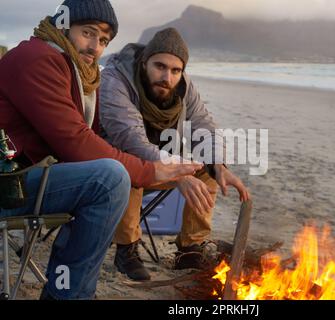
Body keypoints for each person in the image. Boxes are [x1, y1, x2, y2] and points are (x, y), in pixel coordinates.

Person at [0, 0, 201, 300]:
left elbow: (88, 142)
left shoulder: (77, 72)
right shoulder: (37, 58)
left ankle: (70, 289)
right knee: (108, 179)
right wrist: (150, 169)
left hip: (22, 179)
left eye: (104, 40)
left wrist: (211, 163)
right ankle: (68, 294)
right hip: (8, 185)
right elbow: (75, 141)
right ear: (63, 26)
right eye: (88, 33)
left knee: (108, 174)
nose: (95, 47)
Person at [99, 27, 251, 281]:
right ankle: (126, 250)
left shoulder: (183, 87)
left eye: (175, 70)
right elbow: (131, 141)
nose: (167, 77)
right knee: (131, 167)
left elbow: (204, 124)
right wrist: (176, 173)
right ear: (145, 62)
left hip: (161, 160)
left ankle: (190, 249)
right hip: (115, 164)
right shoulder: (116, 80)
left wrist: (219, 166)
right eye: (160, 66)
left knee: (207, 168)